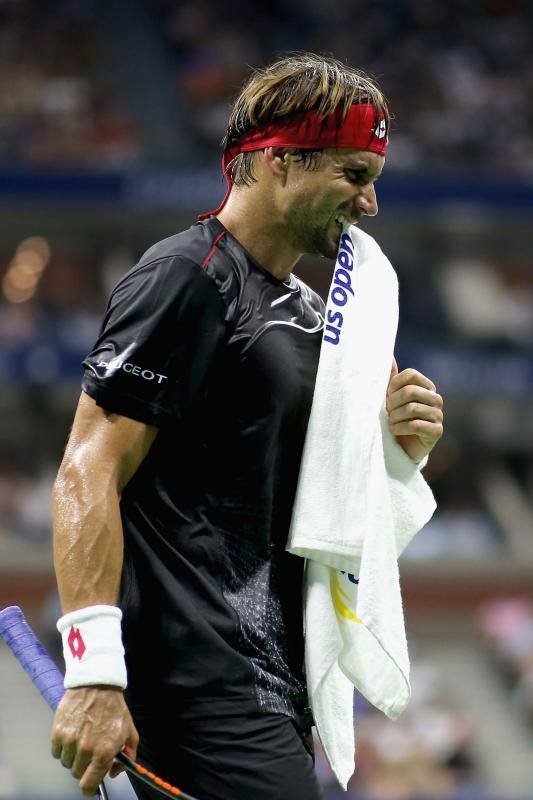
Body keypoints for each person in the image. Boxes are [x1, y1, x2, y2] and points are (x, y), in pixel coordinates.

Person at [51, 53, 444, 800]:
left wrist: (395, 454)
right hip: (196, 683)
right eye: (353, 175)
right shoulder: (186, 277)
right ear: (277, 162)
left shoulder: (306, 317)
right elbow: (87, 468)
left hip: (272, 688)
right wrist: (94, 673)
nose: (368, 205)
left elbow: (317, 523)